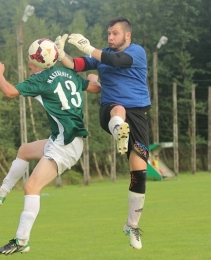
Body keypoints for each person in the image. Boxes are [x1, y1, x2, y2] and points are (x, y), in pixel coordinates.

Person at [0, 38, 101, 255]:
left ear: (35, 61)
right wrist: (94, 77)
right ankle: (1, 193)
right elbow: (94, 88)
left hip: (66, 144)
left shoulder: (40, 79)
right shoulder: (69, 73)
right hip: (64, 139)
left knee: (31, 188)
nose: (29, 65)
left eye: (30, 61)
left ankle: (21, 240)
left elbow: (9, 91)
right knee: (25, 150)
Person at [55, 16, 151, 249]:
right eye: (108, 33)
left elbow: (118, 60)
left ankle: (132, 225)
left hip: (138, 116)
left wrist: (90, 48)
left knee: (139, 174)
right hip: (111, 111)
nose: (110, 37)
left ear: (127, 35)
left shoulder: (136, 52)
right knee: (119, 109)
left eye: (115, 33)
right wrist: (60, 55)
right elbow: (77, 64)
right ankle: (120, 131)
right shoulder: (103, 55)